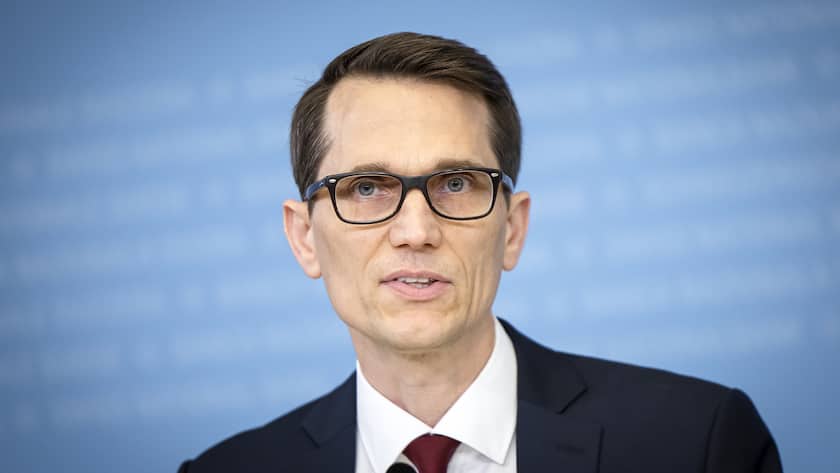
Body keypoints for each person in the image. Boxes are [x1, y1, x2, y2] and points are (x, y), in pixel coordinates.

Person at [178, 32, 782, 473]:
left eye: (456, 184)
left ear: (513, 229)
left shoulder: (698, 443)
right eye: (365, 188)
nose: (416, 230)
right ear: (304, 237)